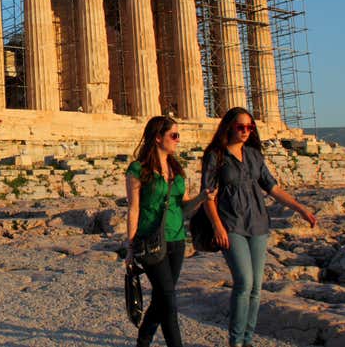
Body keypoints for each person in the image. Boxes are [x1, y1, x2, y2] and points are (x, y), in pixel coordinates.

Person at [201, 107, 317, 347]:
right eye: (241, 127)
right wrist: (217, 227)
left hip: (258, 223)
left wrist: (300, 208)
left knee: (256, 287)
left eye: (250, 127)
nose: (246, 131)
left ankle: (248, 339)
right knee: (244, 282)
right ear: (229, 127)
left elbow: (272, 188)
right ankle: (235, 341)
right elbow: (208, 196)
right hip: (231, 223)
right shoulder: (215, 155)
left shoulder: (254, 154)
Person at [125, 116, 215, 347]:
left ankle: (144, 338)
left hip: (176, 239)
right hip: (151, 241)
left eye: (178, 135)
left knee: (162, 298)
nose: (178, 140)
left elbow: (183, 206)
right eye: (174, 135)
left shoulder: (176, 168)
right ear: (157, 138)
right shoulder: (138, 169)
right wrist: (130, 247)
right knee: (169, 300)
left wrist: (203, 197)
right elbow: (133, 209)